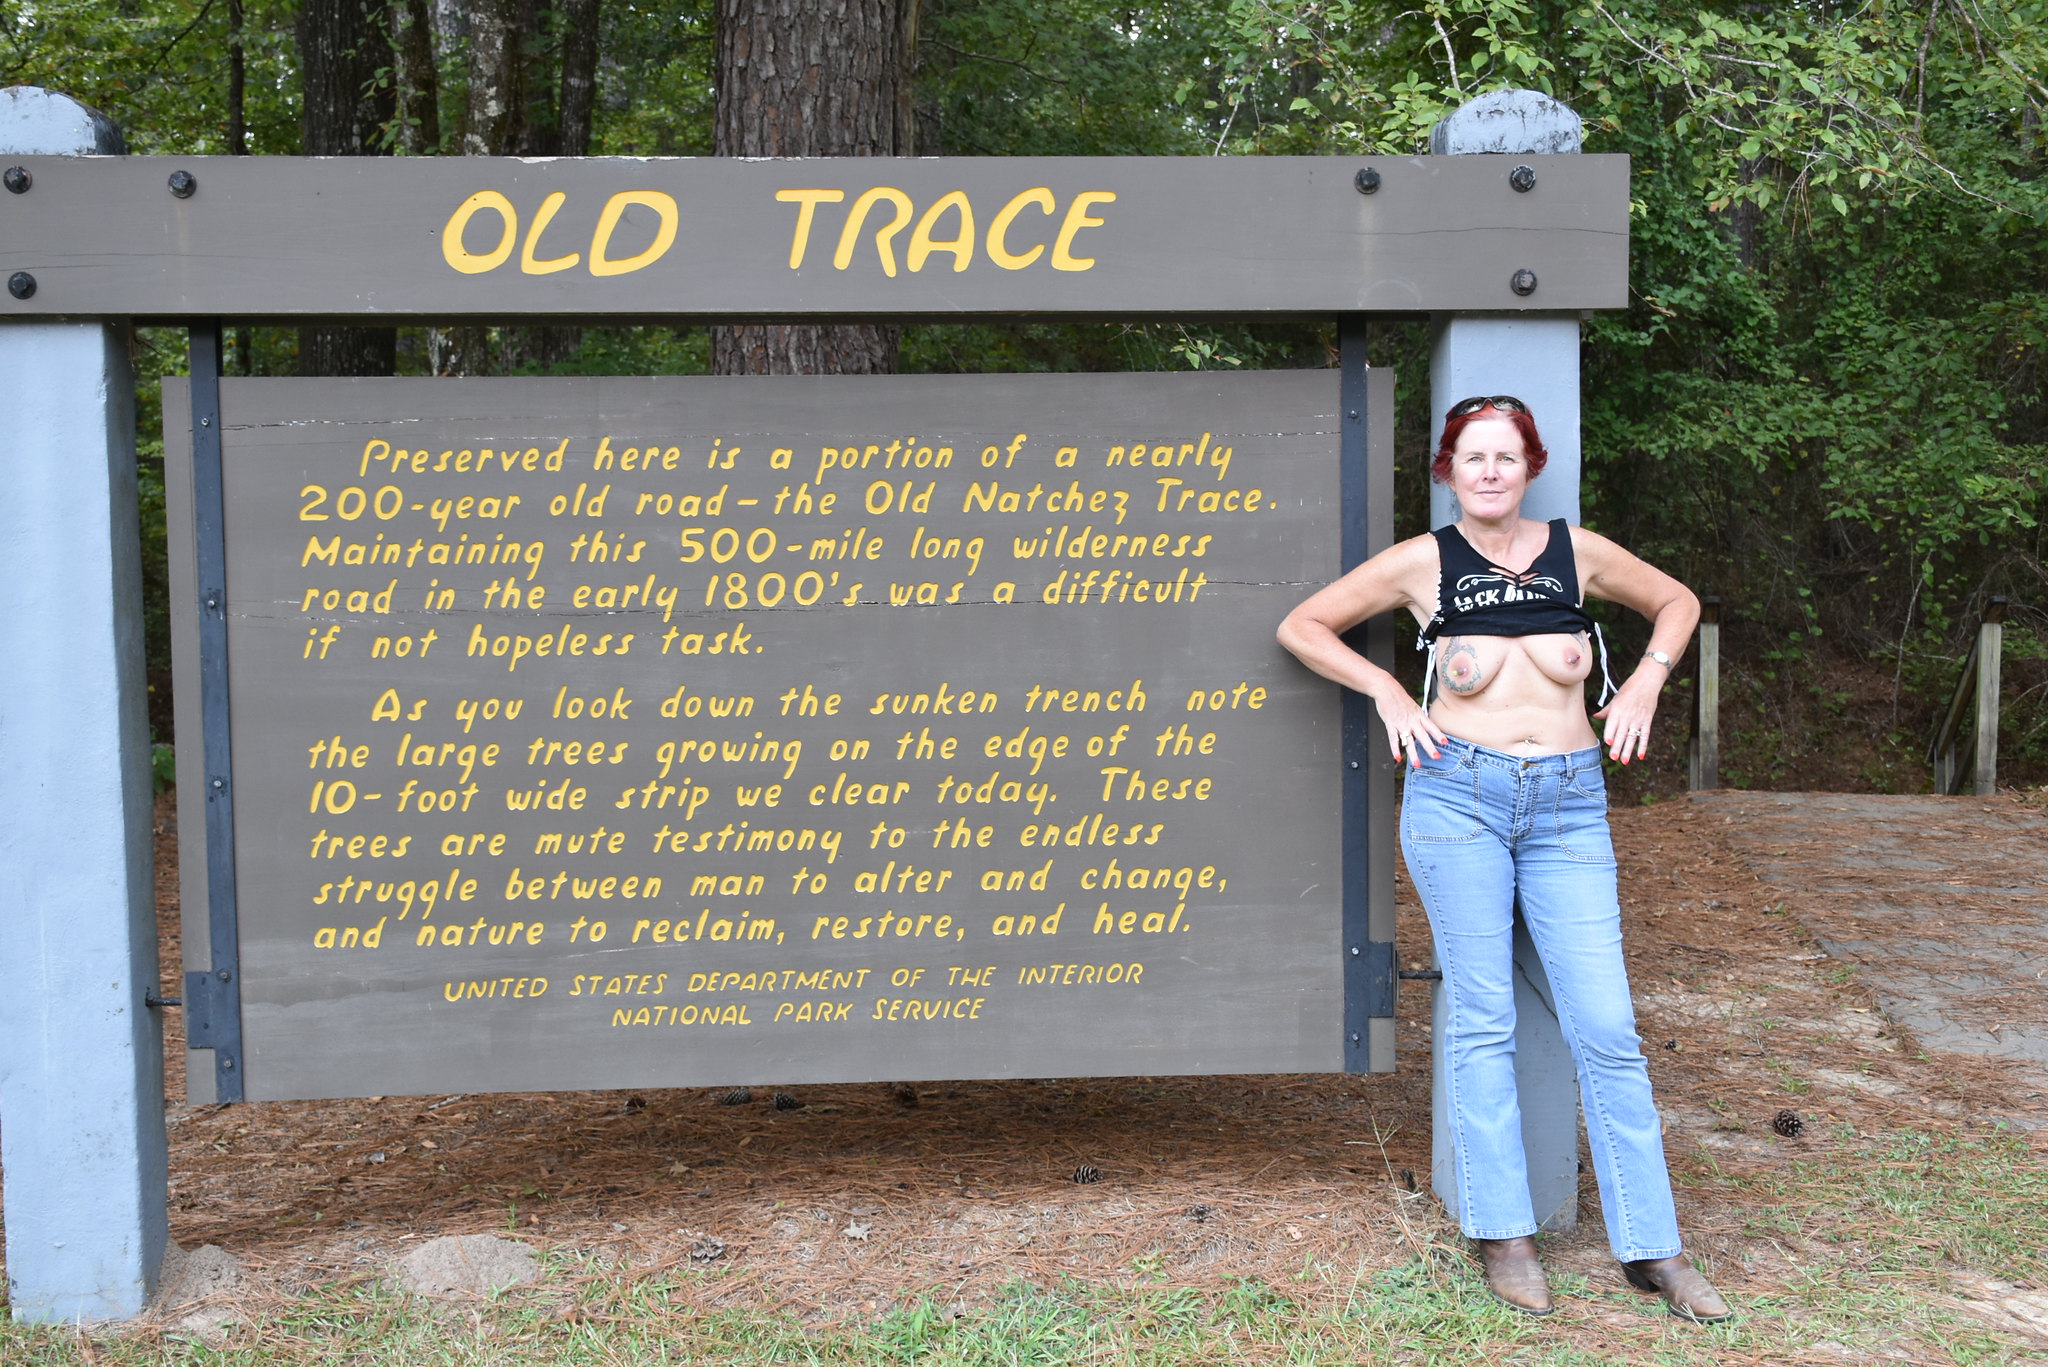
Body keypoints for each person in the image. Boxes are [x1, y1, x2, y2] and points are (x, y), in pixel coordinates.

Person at [1276, 395, 1729, 1322]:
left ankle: (1655, 1248)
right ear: (1449, 470)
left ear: (1530, 466)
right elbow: (1304, 626)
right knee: (1483, 1017)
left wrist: (1645, 676)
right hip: (1456, 800)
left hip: (1569, 806)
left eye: (1507, 456)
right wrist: (1390, 692)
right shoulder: (1422, 562)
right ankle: (1505, 1234)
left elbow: (1676, 600)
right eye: (1473, 457)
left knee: (1605, 1024)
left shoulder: (1578, 550)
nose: (1490, 471)